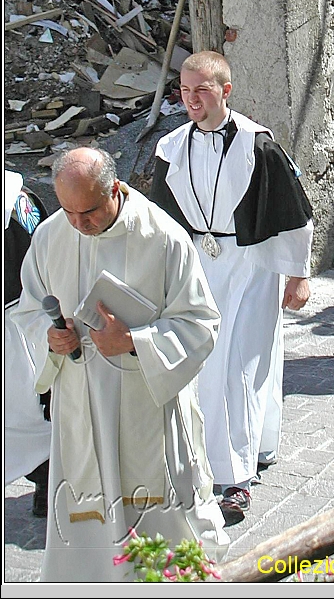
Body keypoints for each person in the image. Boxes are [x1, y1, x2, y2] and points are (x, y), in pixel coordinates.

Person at [12, 148, 226, 582]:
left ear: (114, 189)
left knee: (155, 529)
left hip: (144, 404)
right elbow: (29, 309)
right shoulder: (52, 235)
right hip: (78, 404)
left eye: (88, 211)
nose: (78, 224)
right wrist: (52, 336)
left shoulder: (163, 237)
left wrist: (133, 340)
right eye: (68, 211)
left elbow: (202, 323)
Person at [150, 51, 313, 524]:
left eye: (202, 89)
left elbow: (294, 212)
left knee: (243, 362)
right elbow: (159, 219)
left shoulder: (258, 145)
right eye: (184, 90)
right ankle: (221, 453)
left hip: (251, 263)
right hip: (197, 263)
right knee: (205, 366)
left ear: (226, 90)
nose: (191, 99)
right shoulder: (171, 147)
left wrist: (298, 275)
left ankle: (236, 477)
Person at [4, 171, 50, 517]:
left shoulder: (18, 203)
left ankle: (47, 479)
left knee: (26, 411)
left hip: (15, 319)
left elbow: (42, 261)